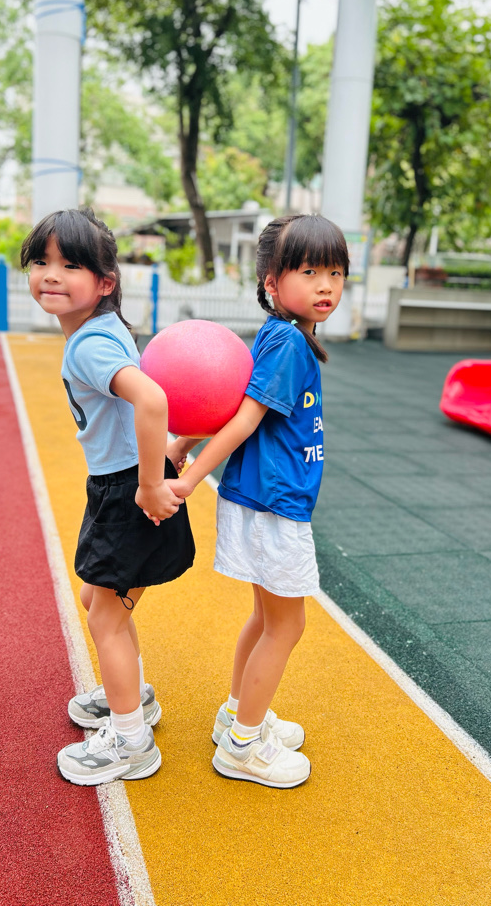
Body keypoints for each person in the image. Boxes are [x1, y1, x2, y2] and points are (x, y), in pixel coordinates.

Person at [167, 214, 348, 788]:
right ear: (272, 281)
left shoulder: (279, 333)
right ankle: (243, 744)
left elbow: (229, 401)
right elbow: (244, 419)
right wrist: (190, 477)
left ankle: (237, 715)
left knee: (267, 618)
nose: (326, 286)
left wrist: (183, 445)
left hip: (262, 501)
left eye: (336, 273)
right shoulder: (290, 342)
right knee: (286, 627)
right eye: (309, 272)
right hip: (273, 505)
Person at [21, 207, 196, 785]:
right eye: (41, 261)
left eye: (71, 264)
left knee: (105, 620)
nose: (51, 274)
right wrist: (170, 453)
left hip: (128, 493)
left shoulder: (89, 346)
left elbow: (151, 399)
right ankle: (132, 696)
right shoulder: (105, 329)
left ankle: (130, 742)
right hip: (120, 485)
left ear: (104, 282)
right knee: (99, 603)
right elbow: (144, 408)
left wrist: (149, 482)